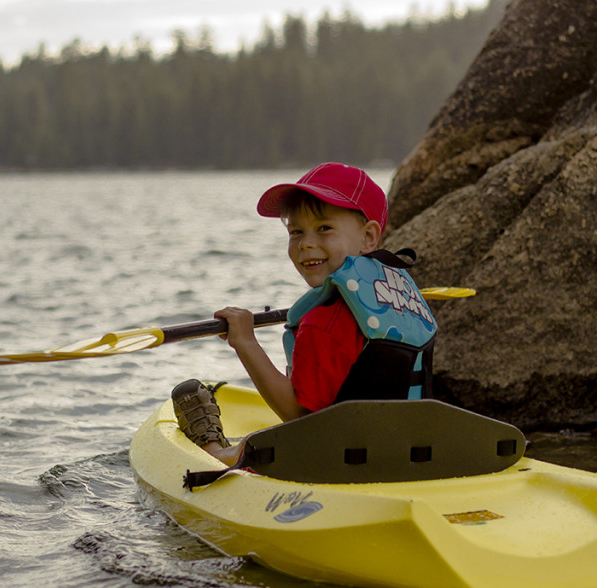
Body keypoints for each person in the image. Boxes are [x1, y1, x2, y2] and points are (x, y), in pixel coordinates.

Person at [172, 162, 437, 465]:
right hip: (409, 452)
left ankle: (215, 452)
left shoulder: (323, 322)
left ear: (368, 237)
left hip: (339, 461)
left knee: (255, 442)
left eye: (324, 228)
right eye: (296, 231)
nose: (306, 244)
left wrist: (245, 342)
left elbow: (297, 414)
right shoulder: (396, 300)